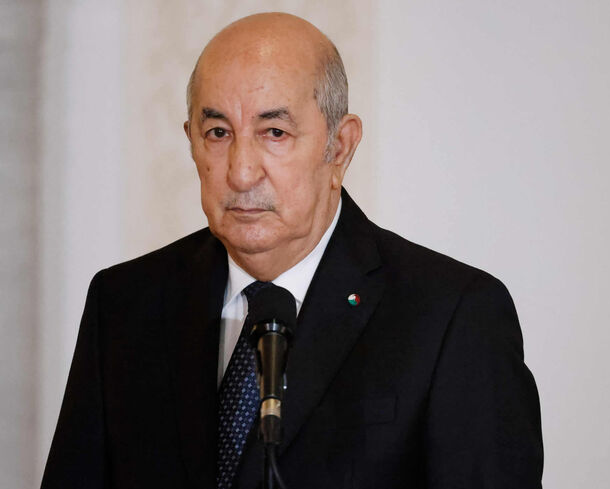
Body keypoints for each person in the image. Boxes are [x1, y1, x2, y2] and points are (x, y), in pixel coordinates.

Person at [41, 12, 543, 489]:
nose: (240, 172)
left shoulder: (453, 316)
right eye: (218, 133)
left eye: (274, 133)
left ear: (339, 147)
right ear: (190, 139)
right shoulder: (125, 303)